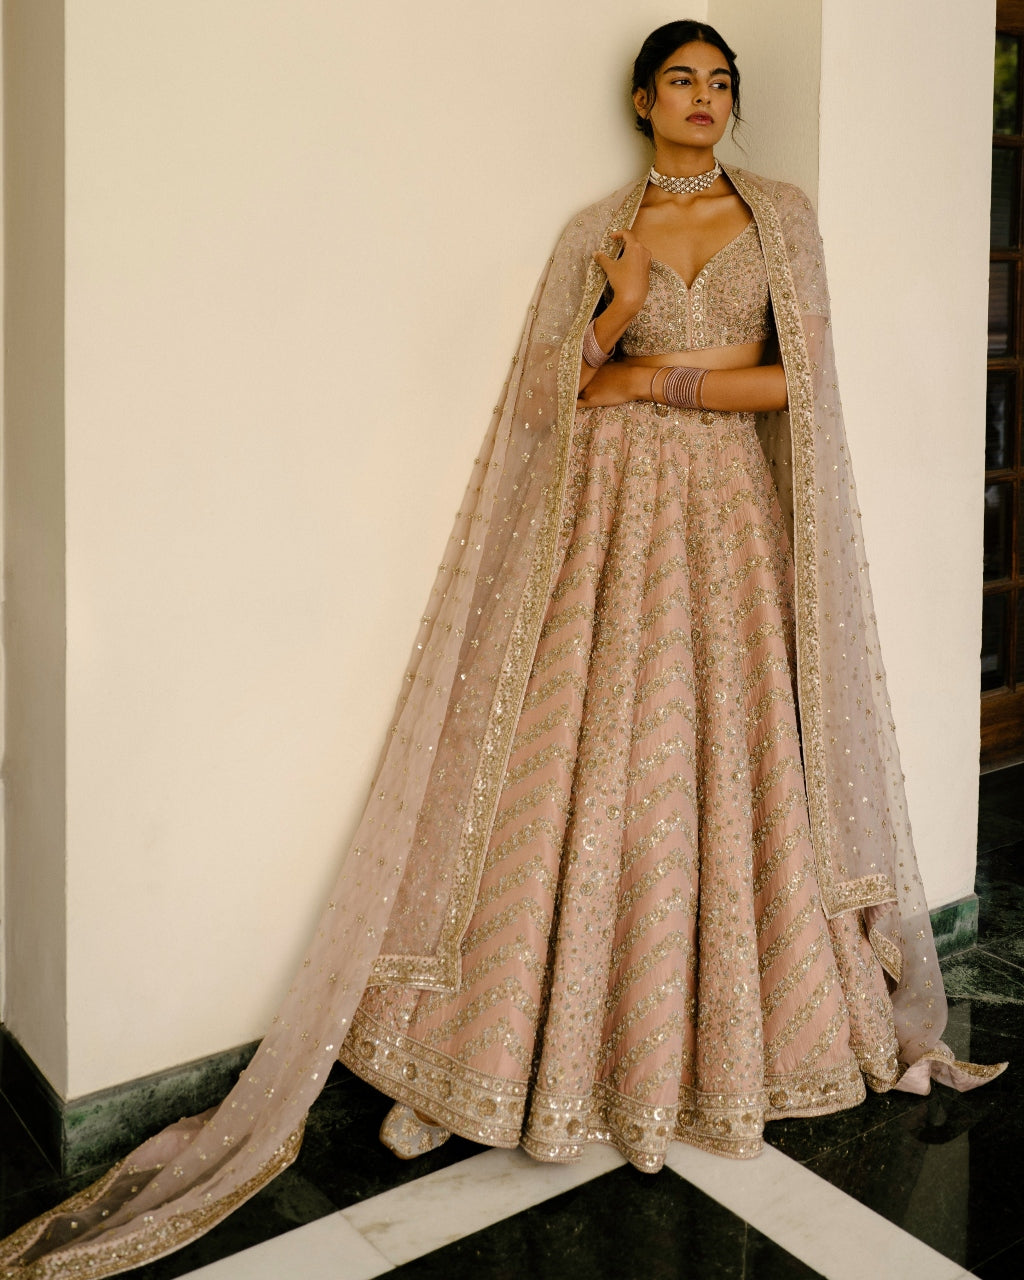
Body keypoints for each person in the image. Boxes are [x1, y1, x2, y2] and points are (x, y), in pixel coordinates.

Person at [0, 18, 1005, 1279]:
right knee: (594, 761)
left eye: (721, 82)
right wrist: (619, 317)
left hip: (728, 524)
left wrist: (648, 377)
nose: (704, 98)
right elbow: (553, 397)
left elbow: (795, 388)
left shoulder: (780, 217)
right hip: (612, 521)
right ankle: (551, 1042)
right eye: (682, 79)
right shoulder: (597, 232)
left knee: (719, 753)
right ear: (641, 99)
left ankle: (716, 1039)